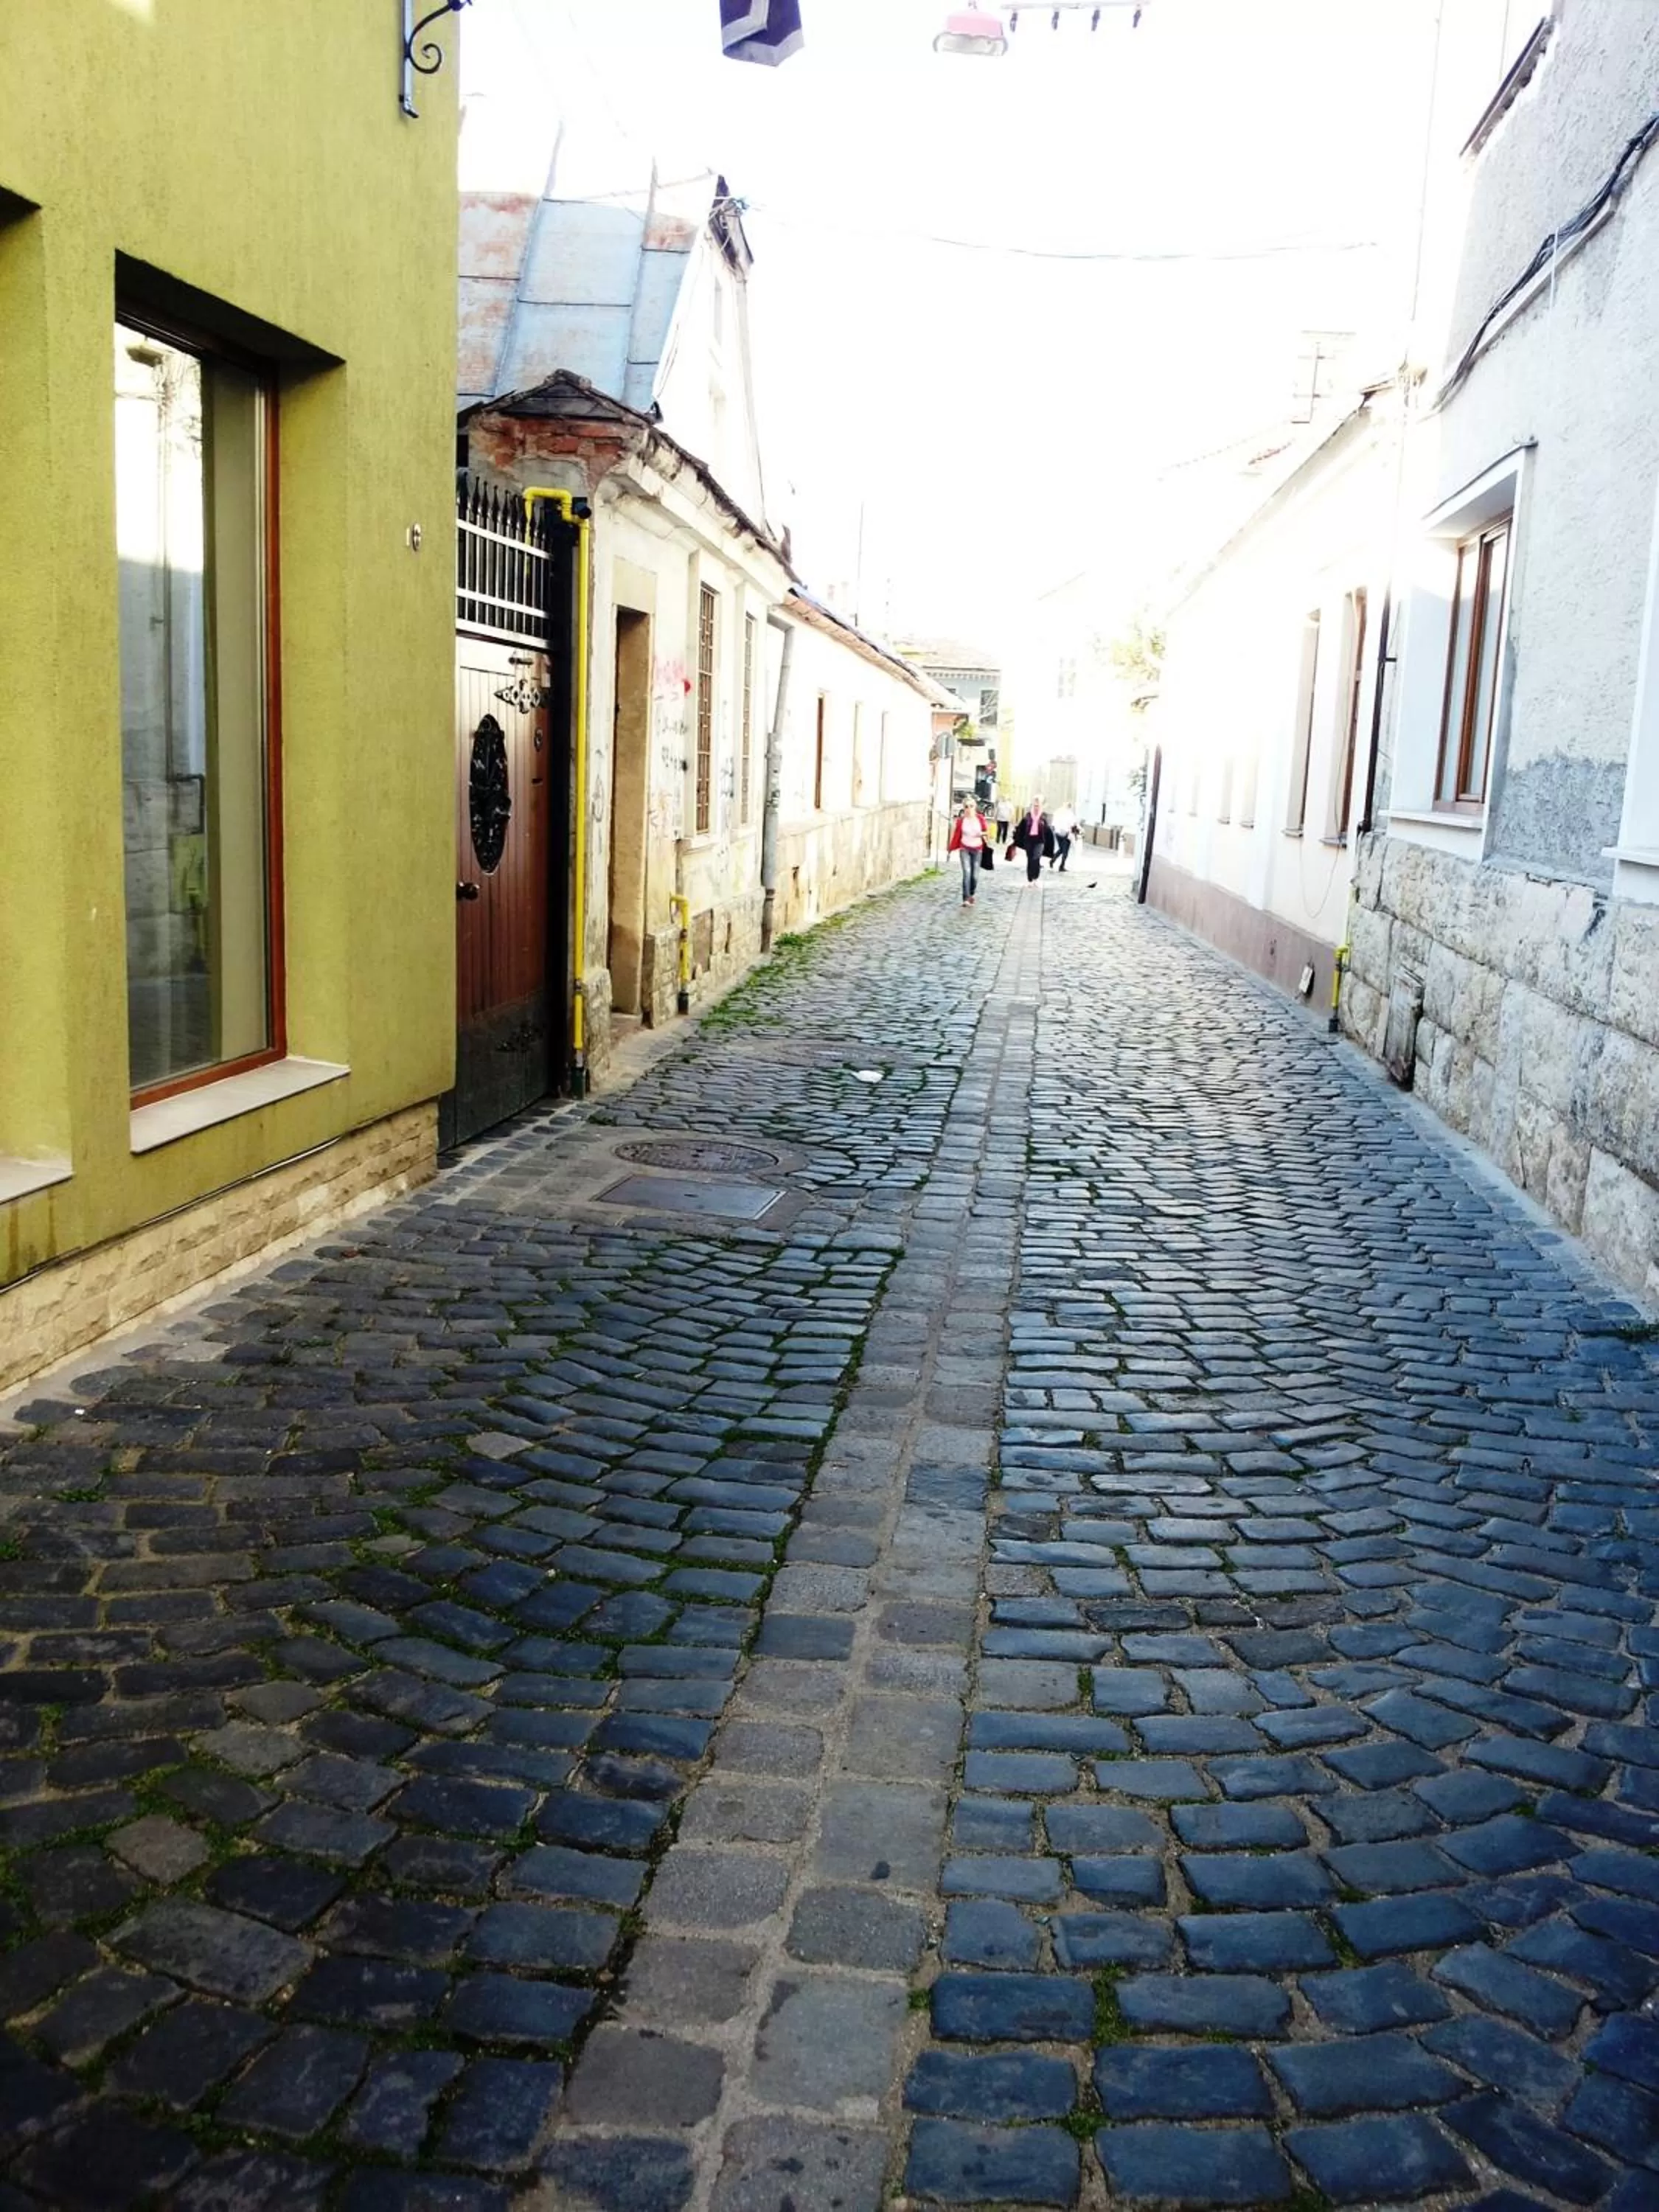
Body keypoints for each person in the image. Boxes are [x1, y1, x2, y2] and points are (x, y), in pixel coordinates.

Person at [947, 796, 990, 905]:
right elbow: (956, 835)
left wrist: (981, 834)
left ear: (975, 807)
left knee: (974, 876)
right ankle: (966, 898)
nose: (969, 809)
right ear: (963, 808)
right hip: (965, 848)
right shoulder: (961, 821)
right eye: (966, 807)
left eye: (971, 806)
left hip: (977, 849)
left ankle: (971, 893)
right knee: (967, 873)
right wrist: (950, 849)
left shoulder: (980, 819)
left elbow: (987, 832)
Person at [1010, 797, 1052, 883]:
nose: (1036, 807)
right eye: (1035, 806)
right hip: (1029, 841)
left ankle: (1035, 878)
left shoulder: (1044, 816)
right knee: (1030, 859)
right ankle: (1030, 879)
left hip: (1040, 841)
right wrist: (1016, 839)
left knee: (1036, 859)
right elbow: (1021, 828)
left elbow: (1048, 830)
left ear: (1041, 806)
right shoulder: (1028, 816)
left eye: (1038, 806)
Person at [1050, 801, 1078, 872]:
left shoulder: (1058, 812)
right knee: (1065, 851)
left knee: (1062, 849)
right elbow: (1073, 825)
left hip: (1058, 833)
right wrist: (1075, 834)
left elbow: (1053, 825)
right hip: (1066, 834)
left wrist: (1055, 831)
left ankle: (1053, 860)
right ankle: (1061, 866)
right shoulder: (1070, 814)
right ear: (1069, 807)